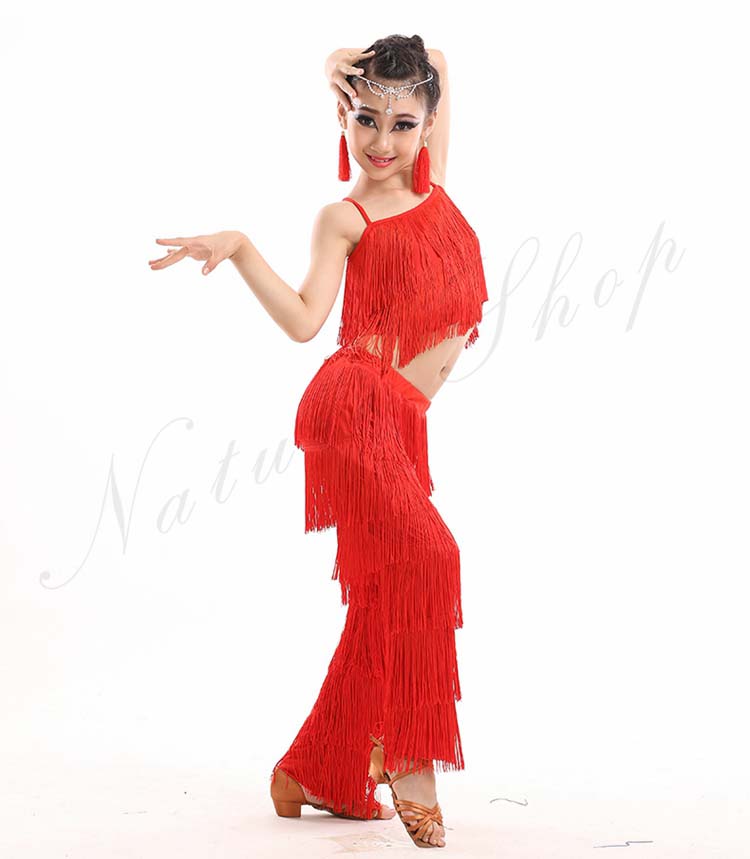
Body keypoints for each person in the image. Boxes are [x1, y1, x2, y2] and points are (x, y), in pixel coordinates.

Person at [148, 34, 488, 850]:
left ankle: (316, 767)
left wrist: (337, 58)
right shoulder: (345, 218)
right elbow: (307, 321)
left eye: (402, 123)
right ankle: (408, 754)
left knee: (382, 600)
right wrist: (239, 248)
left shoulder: (433, 179)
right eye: (364, 118)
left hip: (403, 422)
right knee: (431, 558)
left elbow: (440, 59)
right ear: (342, 118)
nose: (381, 142)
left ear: (428, 123)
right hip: (354, 407)